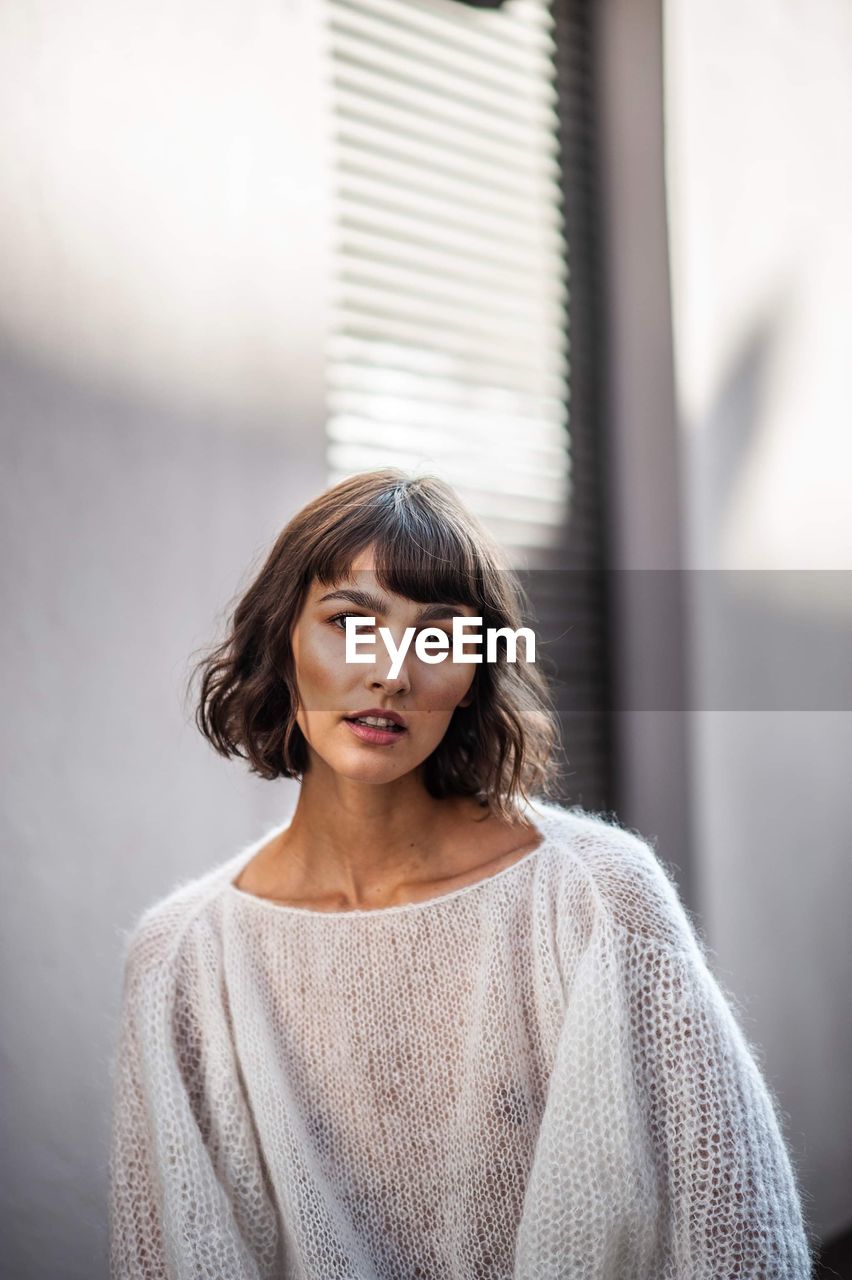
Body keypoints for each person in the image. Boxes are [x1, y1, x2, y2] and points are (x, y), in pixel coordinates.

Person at [107, 468, 813, 1279]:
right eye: (350, 622)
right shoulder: (180, 959)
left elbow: (736, 1232)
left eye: (438, 636)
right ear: (281, 643)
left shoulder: (596, 895)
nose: (394, 674)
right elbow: (161, 1256)